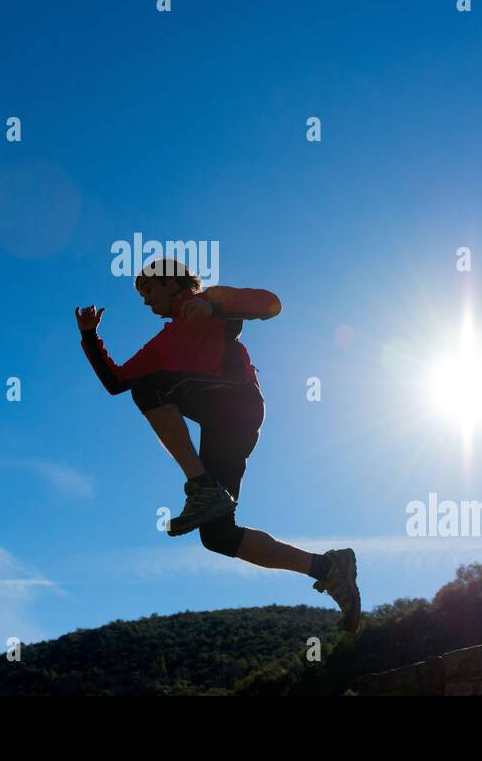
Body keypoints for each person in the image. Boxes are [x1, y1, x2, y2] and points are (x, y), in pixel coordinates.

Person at [75, 258, 361, 632]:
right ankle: (326, 566)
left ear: (171, 282)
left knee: (152, 386)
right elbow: (116, 382)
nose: (145, 302)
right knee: (218, 536)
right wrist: (90, 336)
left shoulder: (210, 298)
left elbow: (271, 303)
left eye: (148, 290)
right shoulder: (163, 341)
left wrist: (216, 307)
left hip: (238, 401)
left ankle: (201, 487)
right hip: (224, 430)